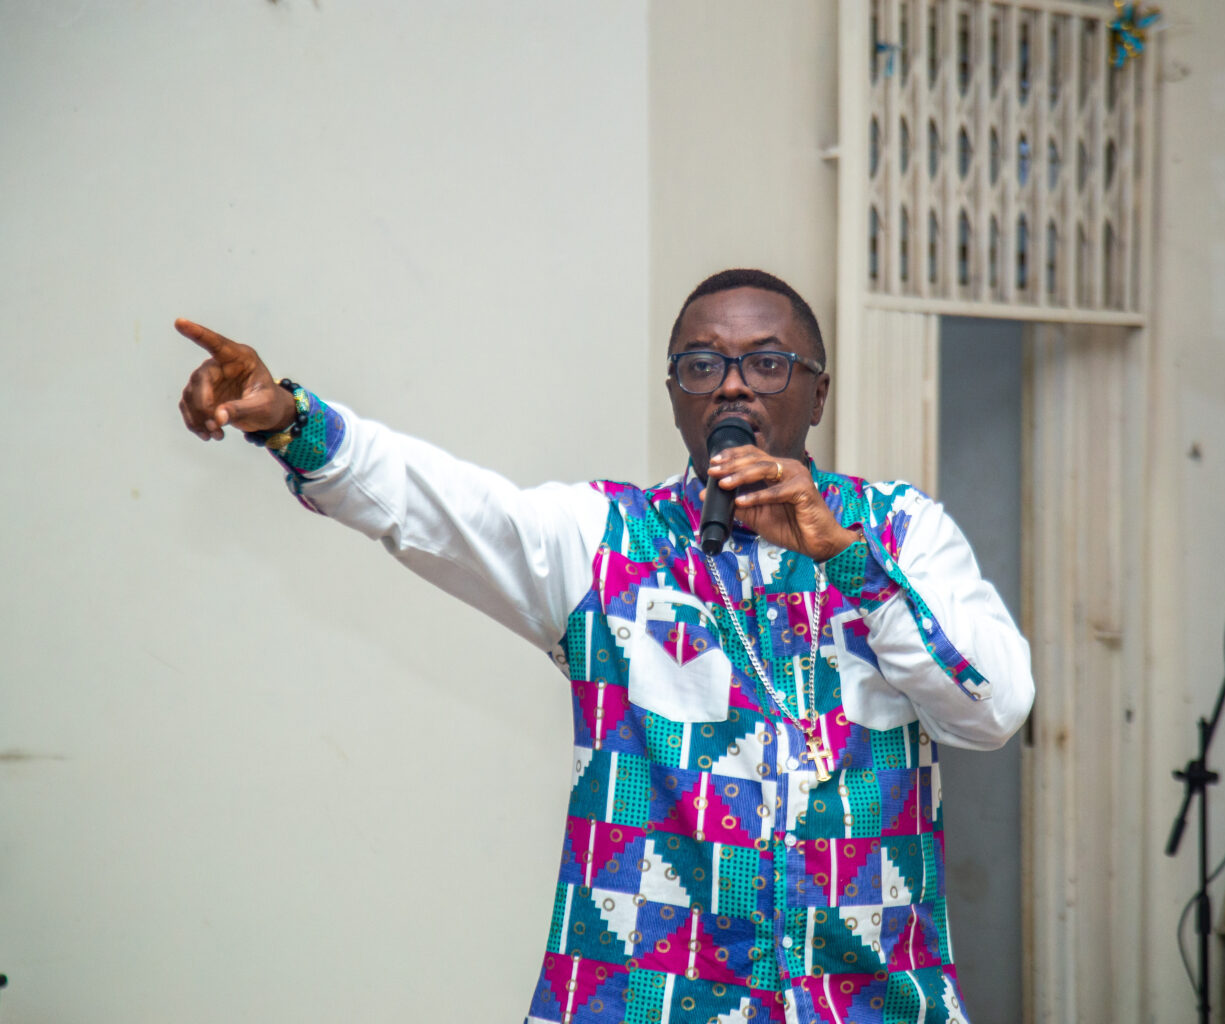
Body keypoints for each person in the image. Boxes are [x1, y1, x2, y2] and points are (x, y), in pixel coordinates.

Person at [175, 268, 1033, 1023]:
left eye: (768, 363)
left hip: (868, 1001)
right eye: (703, 365)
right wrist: (290, 421)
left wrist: (847, 561)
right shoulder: (606, 539)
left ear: (818, 394)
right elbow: (440, 506)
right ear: (676, 395)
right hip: (638, 999)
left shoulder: (900, 533)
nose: (733, 387)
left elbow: (992, 710)